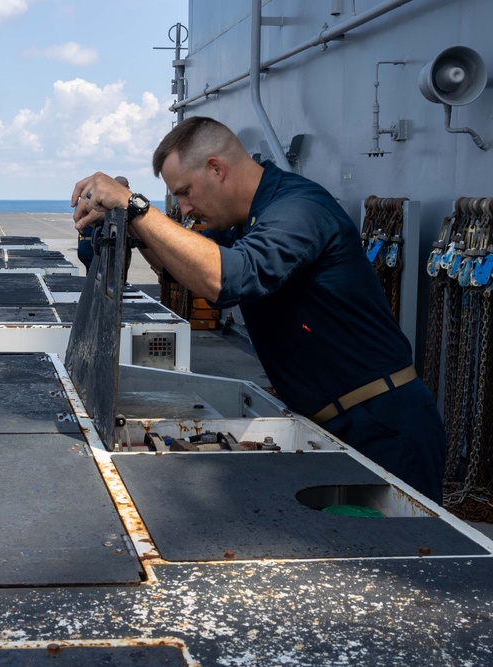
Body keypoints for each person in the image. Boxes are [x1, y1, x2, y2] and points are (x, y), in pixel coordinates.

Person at [71, 116, 446, 504]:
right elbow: (179, 266)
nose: (183, 208)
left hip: (382, 425)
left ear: (216, 168)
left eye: (184, 192)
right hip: (331, 422)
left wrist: (135, 207)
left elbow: (227, 279)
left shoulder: (297, 209)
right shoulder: (243, 221)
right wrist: (135, 226)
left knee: (400, 560)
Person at [78, 175, 129, 273]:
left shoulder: (94, 200)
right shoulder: (109, 203)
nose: (128, 189)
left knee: (93, 276)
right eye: (126, 186)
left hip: (85, 244)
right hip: (93, 247)